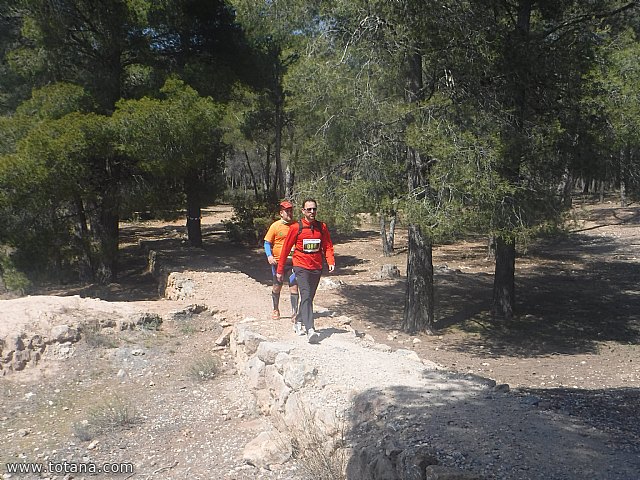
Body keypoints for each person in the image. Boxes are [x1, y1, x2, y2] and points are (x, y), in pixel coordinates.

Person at [276, 198, 335, 343]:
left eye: (314, 209)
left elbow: (327, 245)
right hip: (300, 266)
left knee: (309, 297)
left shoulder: (322, 227)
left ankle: (298, 319)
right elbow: (285, 249)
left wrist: (330, 260)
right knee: (306, 294)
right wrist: (280, 269)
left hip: (316, 266)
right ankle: (310, 329)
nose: (312, 212)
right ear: (303, 211)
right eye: (309, 209)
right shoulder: (296, 227)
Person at [264, 200, 299, 321]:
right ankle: (275, 309)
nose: (289, 213)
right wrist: (269, 256)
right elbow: (267, 243)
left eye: (291, 211)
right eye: (287, 211)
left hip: (293, 263)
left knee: (294, 287)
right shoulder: (275, 226)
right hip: (278, 263)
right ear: (281, 213)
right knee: (276, 286)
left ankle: (294, 313)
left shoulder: (297, 225)